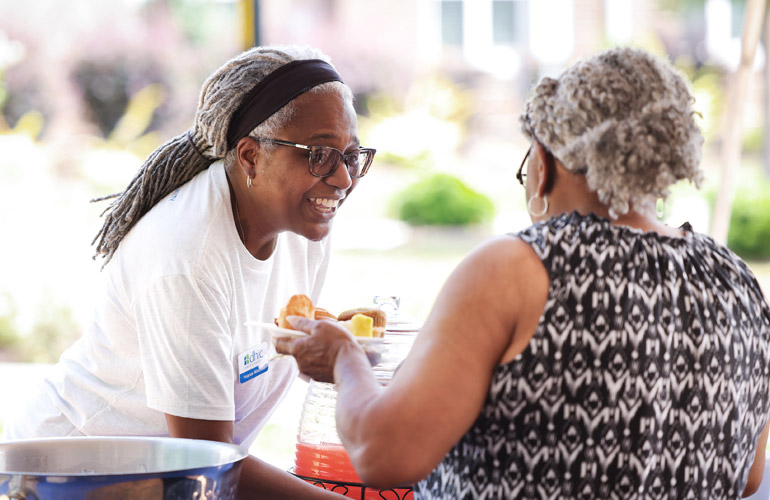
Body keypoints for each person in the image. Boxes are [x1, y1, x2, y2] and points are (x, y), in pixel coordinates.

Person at [275, 47, 770, 499]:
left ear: (545, 161)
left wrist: (343, 358)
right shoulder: (737, 281)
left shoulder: (517, 270)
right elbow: (748, 474)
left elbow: (386, 454)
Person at [2, 45, 375, 499]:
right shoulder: (185, 257)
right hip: (72, 479)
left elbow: (245, 334)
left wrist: (332, 343)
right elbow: (209, 462)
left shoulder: (305, 219)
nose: (343, 179)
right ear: (251, 156)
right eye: (318, 154)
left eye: (352, 155)